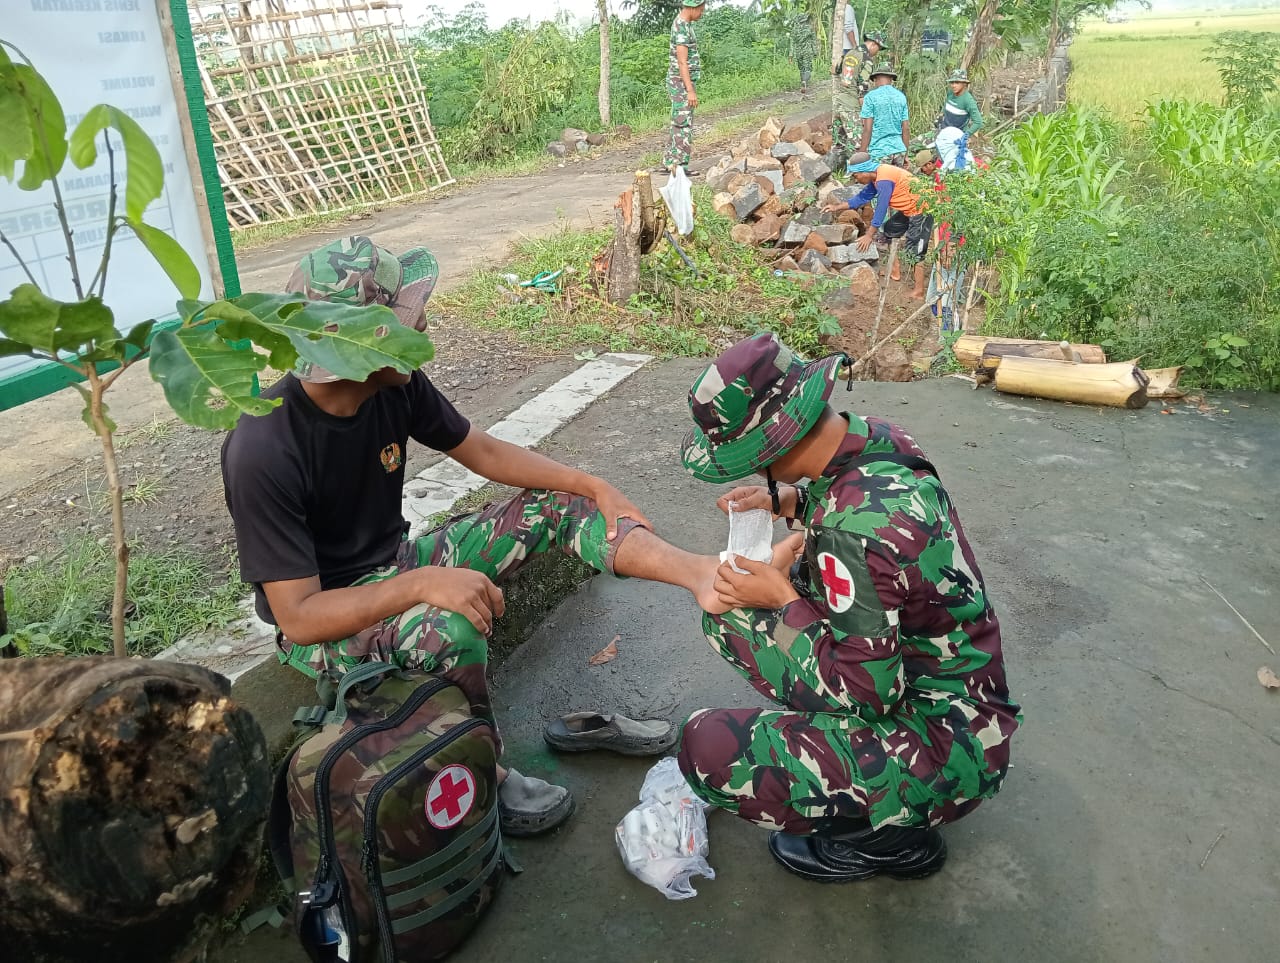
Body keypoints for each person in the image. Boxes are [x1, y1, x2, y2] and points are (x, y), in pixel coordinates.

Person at [220, 236, 730, 838]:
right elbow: (300, 618)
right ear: (359, 347)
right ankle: (484, 771)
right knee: (450, 624)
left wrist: (589, 484)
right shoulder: (262, 448)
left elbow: (481, 450)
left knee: (557, 506)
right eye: (405, 317)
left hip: (397, 563)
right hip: (328, 620)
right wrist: (424, 584)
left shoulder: (395, 383)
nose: (424, 321)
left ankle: (702, 575)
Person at [676, 332, 1022, 882]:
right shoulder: (878, 439)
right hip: (957, 689)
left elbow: (869, 693)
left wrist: (784, 600)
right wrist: (786, 500)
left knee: (707, 747)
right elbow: (848, 501)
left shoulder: (849, 536)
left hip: (944, 746)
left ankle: (884, 837)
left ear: (770, 448)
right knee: (728, 612)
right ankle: (853, 769)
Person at [827, 152, 932, 298]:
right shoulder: (876, 177)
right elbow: (861, 198)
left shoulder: (884, 179)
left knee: (916, 250)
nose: (855, 179)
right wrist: (836, 207)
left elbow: (881, 209)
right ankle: (894, 271)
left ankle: (919, 290)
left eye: (855, 176)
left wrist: (869, 235)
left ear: (864, 171)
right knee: (888, 230)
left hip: (922, 210)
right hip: (908, 209)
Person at [832, 31, 887, 168]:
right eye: (878, 49)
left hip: (838, 103)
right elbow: (863, 89)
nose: (877, 52)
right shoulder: (866, 59)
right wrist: (866, 113)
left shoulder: (849, 53)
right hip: (851, 106)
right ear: (874, 44)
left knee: (839, 143)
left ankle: (833, 173)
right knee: (859, 144)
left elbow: (835, 70)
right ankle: (859, 174)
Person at [664, 1, 706, 176]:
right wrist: (690, 90)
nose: (702, 13)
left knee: (678, 122)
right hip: (681, 83)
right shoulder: (681, 27)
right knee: (683, 124)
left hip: (681, 82)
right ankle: (680, 166)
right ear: (693, 7)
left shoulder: (685, 24)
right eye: (701, 9)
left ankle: (670, 161)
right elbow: (682, 62)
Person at [858, 61, 910, 166]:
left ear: (876, 79)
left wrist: (862, 154)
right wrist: (905, 154)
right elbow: (906, 128)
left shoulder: (870, 97)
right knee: (895, 181)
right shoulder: (901, 97)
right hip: (899, 150)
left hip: (879, 152)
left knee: (880, 181)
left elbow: (867, 129)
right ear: (891, 79)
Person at [939, 68, 984, 138]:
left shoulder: (968, 100)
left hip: (956, 134)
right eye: (952, 83)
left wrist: (966, 135)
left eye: (957, 83)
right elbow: (946, 106)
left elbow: (978, 122)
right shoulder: (950, 93)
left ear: (964, 84)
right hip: (943, 129)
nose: (953, 85)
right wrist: (941, 115)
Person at [789, 11, 818, 95]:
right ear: (805, 19)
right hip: (807, 51)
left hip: (798, 52)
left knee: (801, 69)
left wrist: (791, 55)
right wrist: (815, 52)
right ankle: (804, 82)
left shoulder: (794, 30)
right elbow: (813, 41)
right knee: (808, 68)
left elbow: (792, 43)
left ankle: (803, 83)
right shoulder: (810, 28)